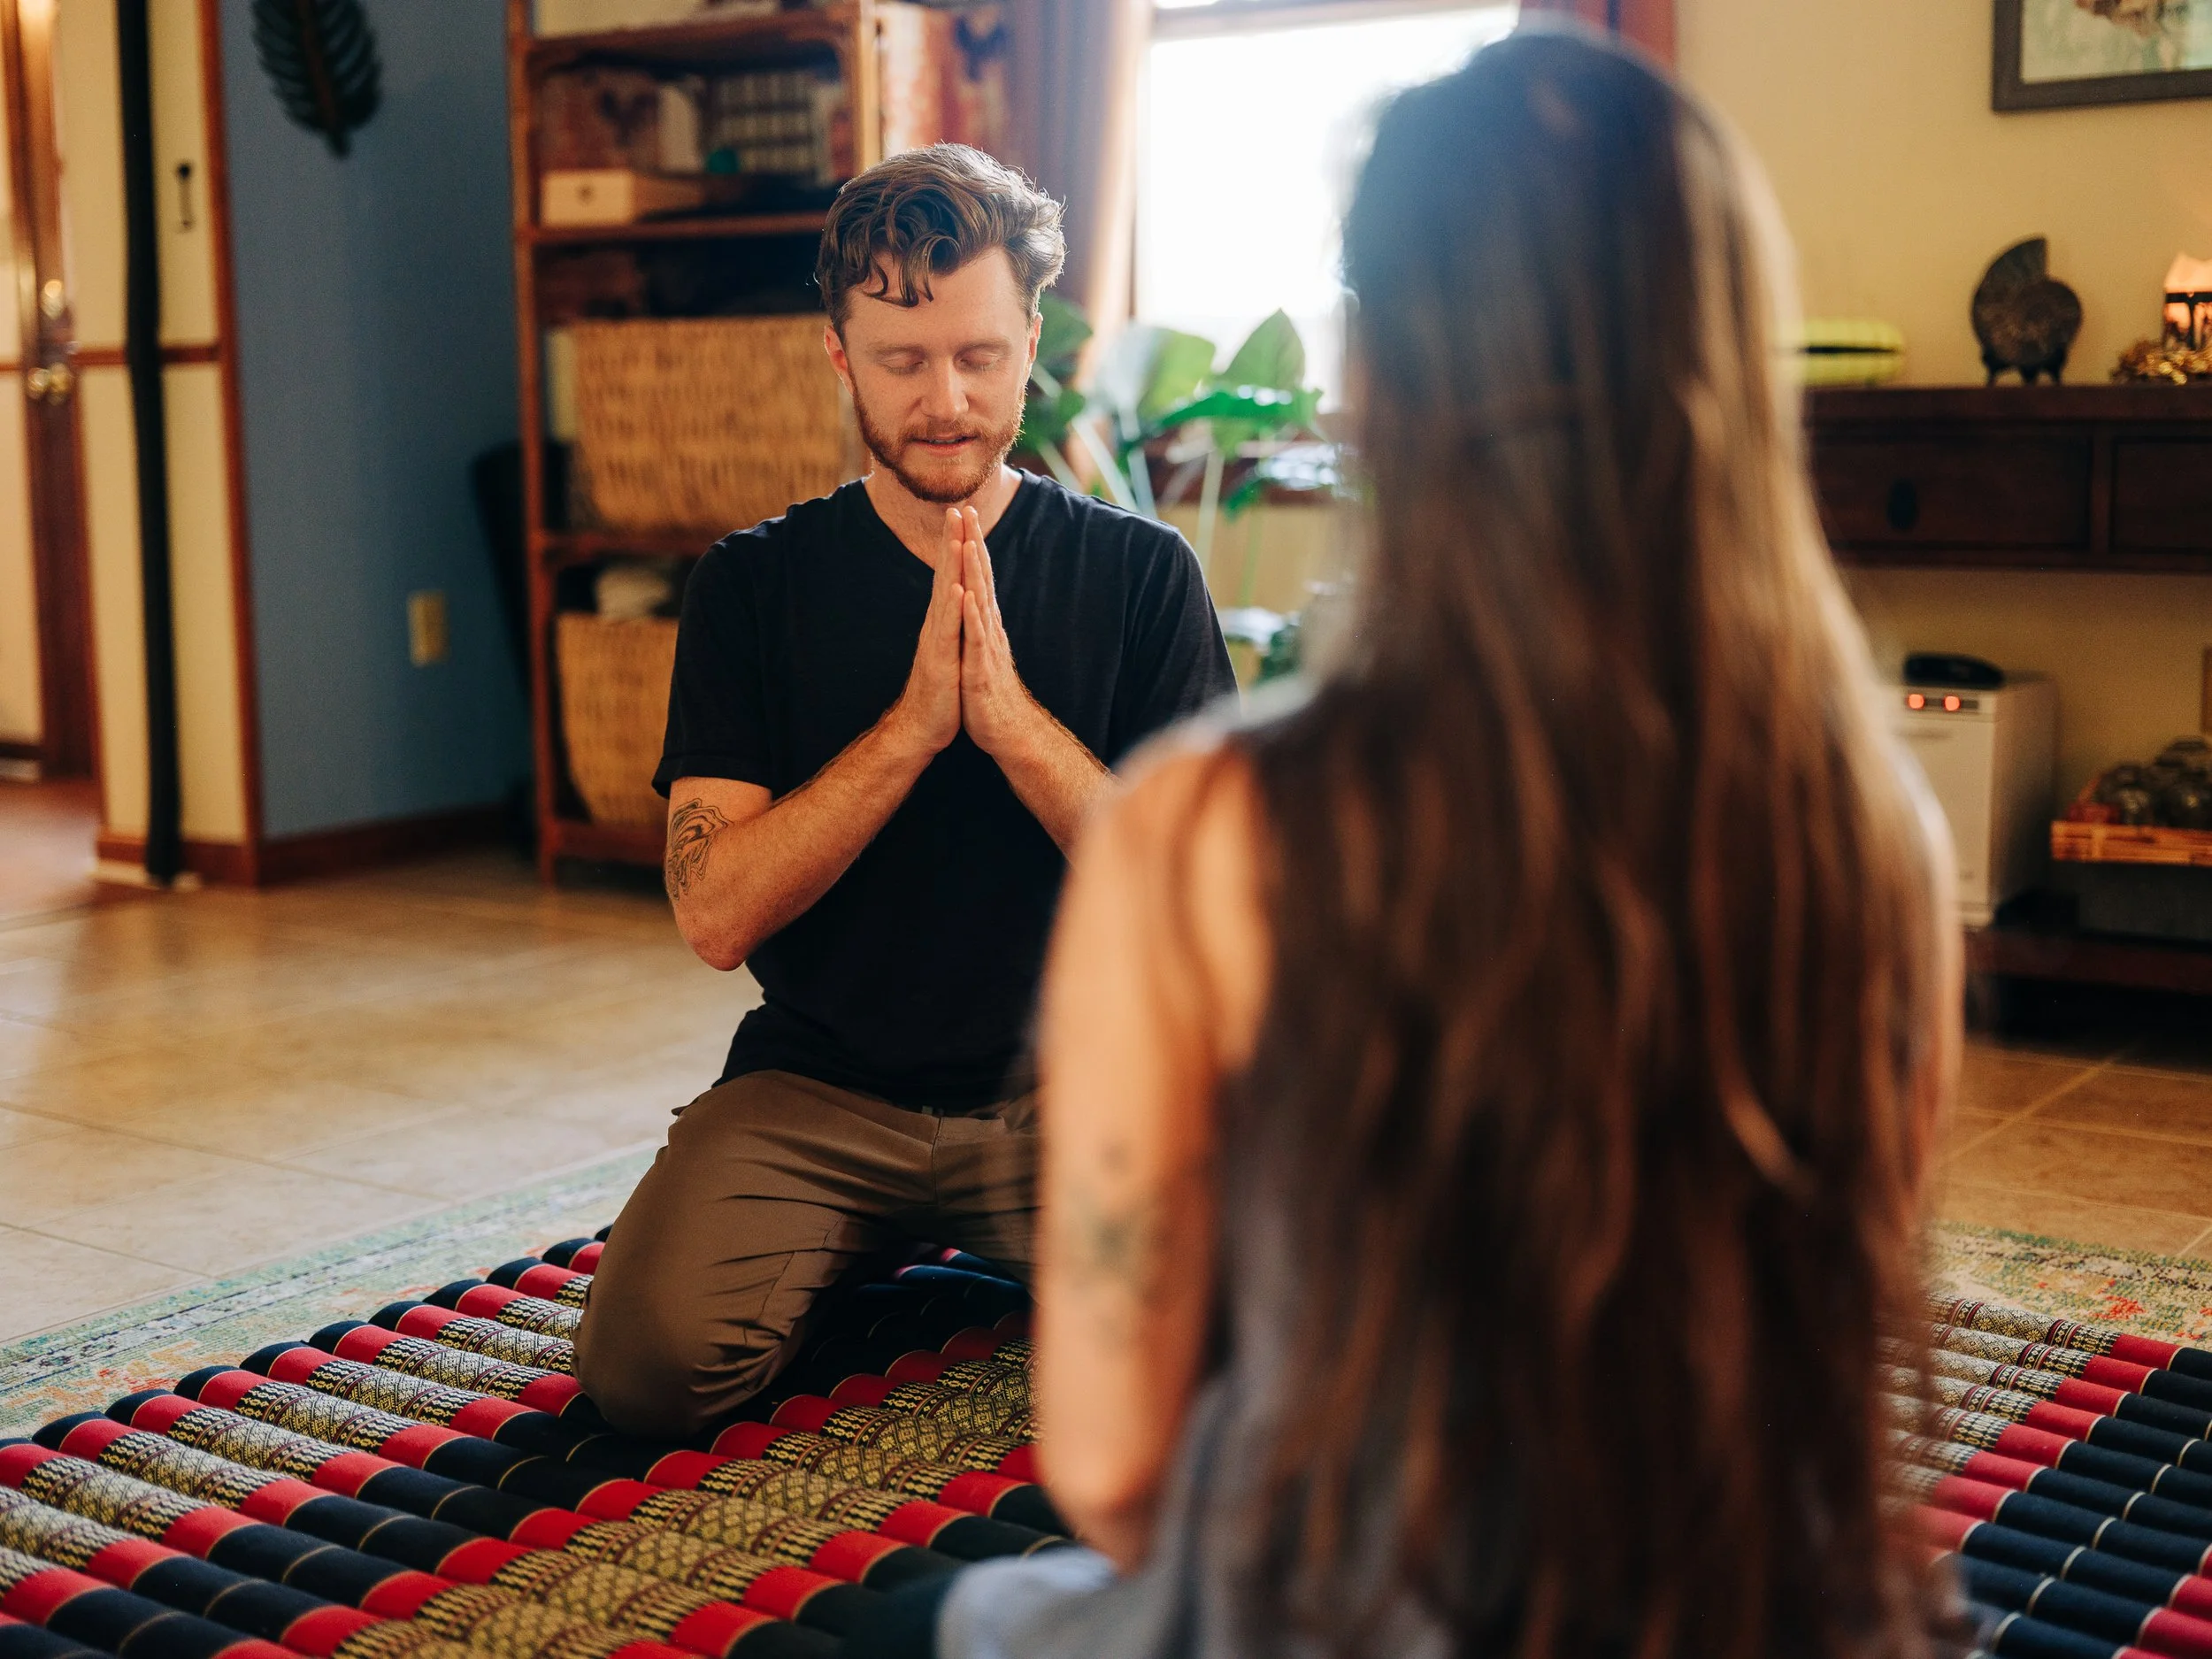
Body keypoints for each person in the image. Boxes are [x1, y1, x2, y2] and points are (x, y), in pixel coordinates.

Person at [895, 27, 1962, 1659]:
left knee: (946, 1616)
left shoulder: (1204, 832)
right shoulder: (1877, 832)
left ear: (1371, 379)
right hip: (1761, 1611)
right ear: (1742, 360)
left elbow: (1112, 1469)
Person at [575, 144, 1238, 1438]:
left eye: (981, 357)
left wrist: (1010, 727)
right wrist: (911, 731)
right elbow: (715, 918)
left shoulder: (1143, 576)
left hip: (1078, 1089)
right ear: (839, 355)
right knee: (646, 1370)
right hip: (822, 1096)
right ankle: (859, 1233)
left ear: (1031, 337)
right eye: (902, 360)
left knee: (1255, 1324)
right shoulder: (750, 587)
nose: (946, 399)